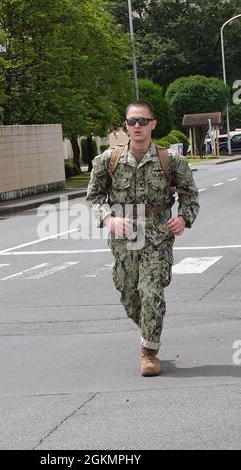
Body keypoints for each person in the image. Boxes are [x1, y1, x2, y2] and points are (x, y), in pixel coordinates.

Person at [86, 100, 200, 377]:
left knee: (151, 292)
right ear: (126, 125)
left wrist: (183, 218)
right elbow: (94, 197)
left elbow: (190, 195)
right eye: (131, 121)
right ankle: (150, 326)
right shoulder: (107, 160)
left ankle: (149, 351)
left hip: (158, 235)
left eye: (142, 121)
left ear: (153, 124)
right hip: (125, 237)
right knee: (129, 294)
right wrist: (109, 219)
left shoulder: (171, 160)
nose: (136, 126)